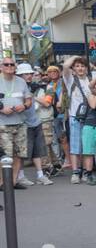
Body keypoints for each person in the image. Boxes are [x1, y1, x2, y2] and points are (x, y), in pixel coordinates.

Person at [17, 63, 54, 185]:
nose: (29, 76)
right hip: (23, 123)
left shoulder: (36, 86)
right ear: (20, 75)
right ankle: (21, 176)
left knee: (38, 151)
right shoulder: (17, 87)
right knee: (22, 152)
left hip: (36, 121)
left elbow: (47, 101)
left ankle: (40, 175)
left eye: (30, 73)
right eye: (26, 74)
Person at [0, 56, 33, 188]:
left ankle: (13, 182)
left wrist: (24, 106)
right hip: (2, 124)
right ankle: (3, 182)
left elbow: (29, 100)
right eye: (6, 65)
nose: (9, 67)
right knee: (5, 155)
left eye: (12, 64)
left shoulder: (21, 82)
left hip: (20, 122)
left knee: (19, 154)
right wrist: (2, 110)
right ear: (1, 67)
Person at [64, 58, 95, 184]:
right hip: (75, 117)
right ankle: (76, 172)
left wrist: (87, 62)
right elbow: (66, 65)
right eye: (77, 66)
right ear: (74, 69)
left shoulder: (91, 80)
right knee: (75, 146)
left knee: (87, 146)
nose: (80, 68)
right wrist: (77, 56)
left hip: (90, 117)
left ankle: (86, 172)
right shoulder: (70, 80)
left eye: (83, 66)